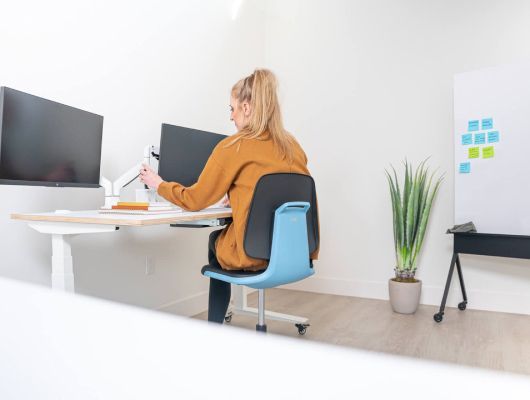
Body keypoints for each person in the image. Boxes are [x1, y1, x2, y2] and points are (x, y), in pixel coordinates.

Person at [140, 69, 318, 323]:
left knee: (216, 239)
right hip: (296, 255)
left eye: (232, 109)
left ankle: (214, 328)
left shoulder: (233, 146)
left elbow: (194, 200)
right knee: (230, 233)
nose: (231, 117)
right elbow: (280, 192)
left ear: (246, 107)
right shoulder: (292, 145)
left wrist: (159, 184)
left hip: (254, 255)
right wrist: (240, 197)